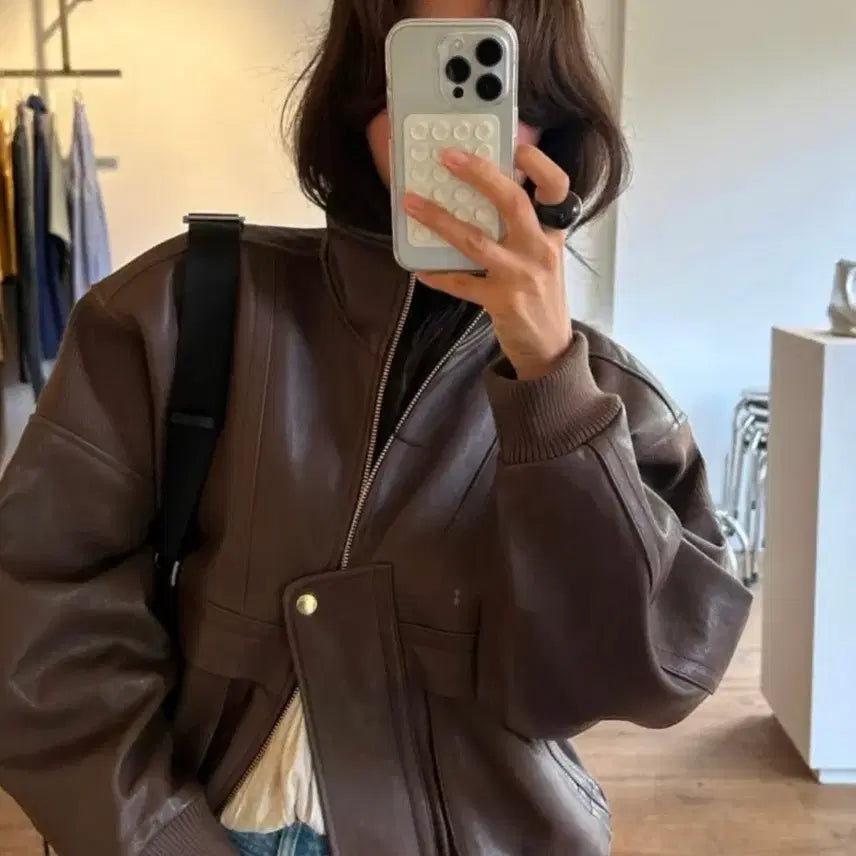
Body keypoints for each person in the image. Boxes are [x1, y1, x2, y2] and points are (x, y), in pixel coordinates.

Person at [0, 1, 752, 855]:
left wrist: (550, 386)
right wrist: (160, 838)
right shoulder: (181, 308)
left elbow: (648, 674)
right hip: (197, 821)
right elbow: (36, 608)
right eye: (421, 79)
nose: (458, 134)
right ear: (359, 96)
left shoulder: (605, 399)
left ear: (553, 117)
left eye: (491, 84)